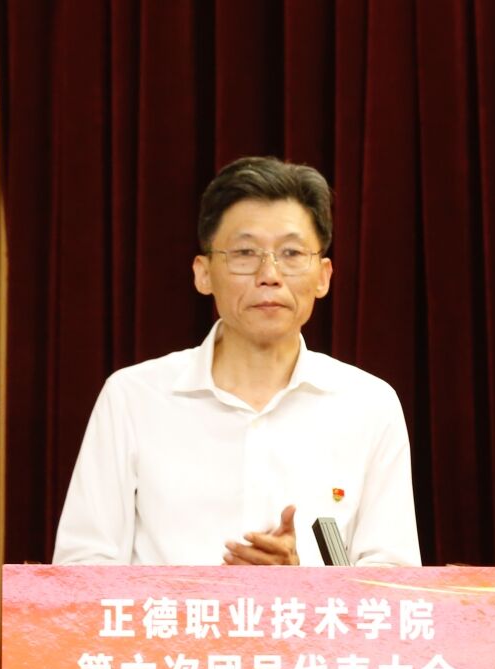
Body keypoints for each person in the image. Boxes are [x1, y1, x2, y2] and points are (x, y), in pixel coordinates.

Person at [52, 157, 422, 567]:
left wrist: (298, 586)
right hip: (167, 613)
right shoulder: (134, 398)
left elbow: (392, 585)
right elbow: (82, 566)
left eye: (291, 253)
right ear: (203, 273)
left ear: (323, 276)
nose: (269, 275)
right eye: (245, 253)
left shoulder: (369, 405)